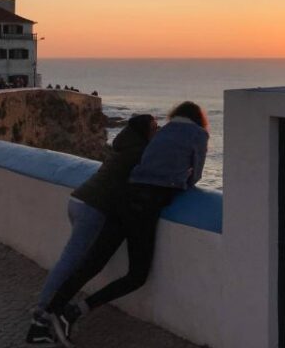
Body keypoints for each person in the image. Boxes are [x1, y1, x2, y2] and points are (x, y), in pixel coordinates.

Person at [44, 102, 209, 347]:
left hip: (124, 196)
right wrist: (180, 181)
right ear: (198, 119)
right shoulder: (199, 134)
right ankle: (73, 312)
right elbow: (195, 176)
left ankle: (51, 311)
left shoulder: (162, 132)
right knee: (137, 276)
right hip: (145, 206)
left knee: (93, 263)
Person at [26, 114, 158, 345]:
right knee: (72, 262)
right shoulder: (139, 153)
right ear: (144, 130)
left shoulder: (123, 146)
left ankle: (47, 312)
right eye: (154, 127)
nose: (157, 131)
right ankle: (42, 316)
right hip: (93, 209)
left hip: (79, 201)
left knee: (74, 261)